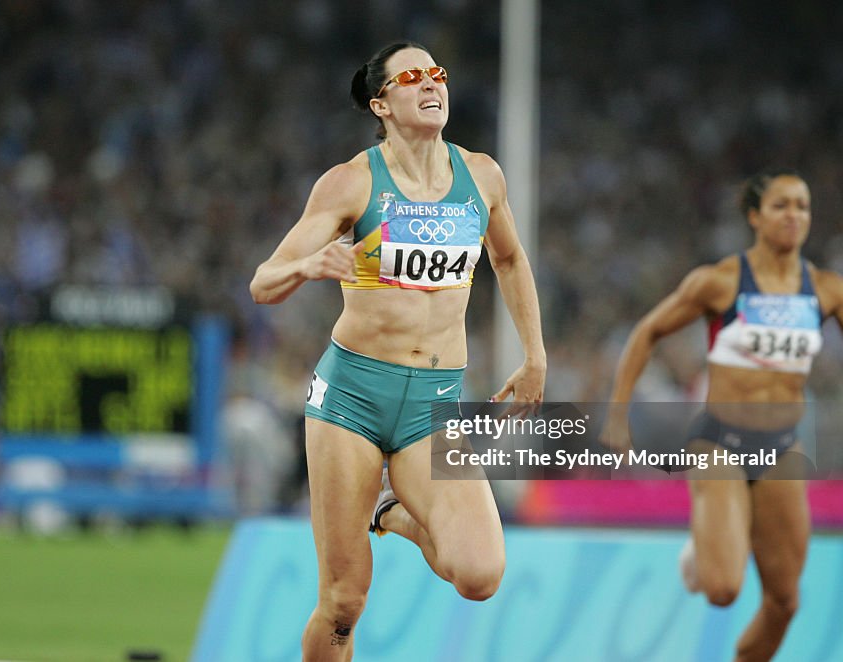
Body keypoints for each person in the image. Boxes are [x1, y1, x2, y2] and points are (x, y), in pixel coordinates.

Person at [250, 42, 546, 660]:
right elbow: (263, 283)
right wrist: (310, 264)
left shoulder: (481, 175)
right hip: (352, 400)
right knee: (343, 601)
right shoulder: (352, 184)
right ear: (381, 103)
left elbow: (511, 258)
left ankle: (392, 510)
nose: (431, 83)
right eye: (412, 77)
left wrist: (535, 355)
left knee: (480, 575)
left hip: (433, 406)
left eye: (437, 72)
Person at [601, 171, 843, 662]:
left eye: (802, 205)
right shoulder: (721, 281)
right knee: (723, 589)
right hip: (720, 444)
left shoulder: (826, 290)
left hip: (782, 448)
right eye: (781, 205)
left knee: (784, 601)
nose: (794, 215)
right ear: (755, 217)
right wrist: (617, 414)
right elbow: (648, 331)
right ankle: (703, 547)